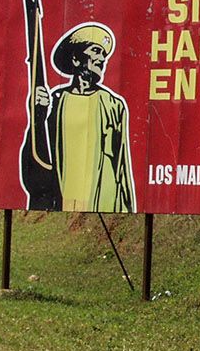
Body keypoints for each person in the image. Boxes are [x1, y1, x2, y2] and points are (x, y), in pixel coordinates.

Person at [32, 23, 136, 213]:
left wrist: (127, 209)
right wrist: (38, 116)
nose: (102, 58)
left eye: (104, 54)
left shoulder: (113, 104)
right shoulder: (55, 101)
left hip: (103, 200)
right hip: (62, 198)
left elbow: (122, 167)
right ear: (76, 58)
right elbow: (39, 154)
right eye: (96, 51)